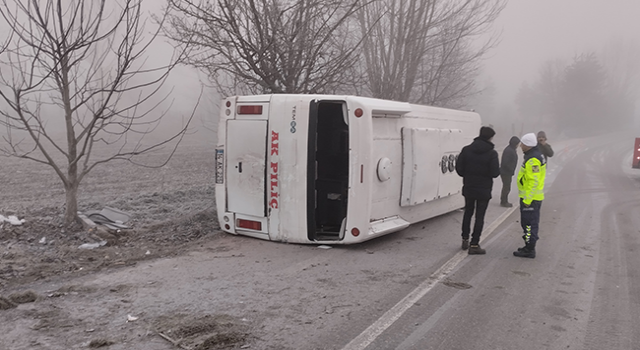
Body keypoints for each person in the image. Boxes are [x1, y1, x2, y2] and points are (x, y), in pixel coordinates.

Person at [455, 126, 500, 254]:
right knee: (480, 216)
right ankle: (474, 245)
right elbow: (495, 173)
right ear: (490, 137)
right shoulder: (492, 153)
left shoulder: (466, 150)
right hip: (484, 189)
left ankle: (465, 238)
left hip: (469, 187)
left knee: (468, 213)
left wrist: (468, 176)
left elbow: (459, 169)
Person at [513, 133, 547, 259]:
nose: (520, 145)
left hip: (531, 199)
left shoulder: (533, 160)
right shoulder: (533, 156)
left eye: (522, 143)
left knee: (529, 224)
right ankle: (528, 245)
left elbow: (534, 181)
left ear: (527, 145)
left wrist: (528, 199)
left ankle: (530, 248)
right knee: (527, 223)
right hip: (531, 198)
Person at [500, 136, 520, 207]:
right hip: (506, 172)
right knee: (506, 187)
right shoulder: (509, 150)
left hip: (507, 171)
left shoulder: (510, 149)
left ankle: (504, 200)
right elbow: (505, 162)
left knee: (506, 186)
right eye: (518, 143)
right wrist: (511, 169)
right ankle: (504, 201)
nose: (518, 145)